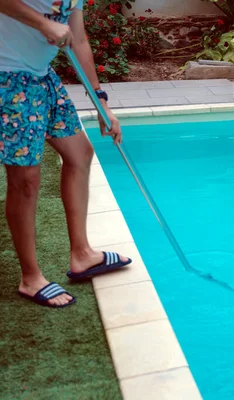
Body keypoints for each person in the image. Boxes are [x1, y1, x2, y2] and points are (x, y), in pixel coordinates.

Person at [1, 0, 132, 308]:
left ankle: (82, 255)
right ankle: (31, 277)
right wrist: (44, 24)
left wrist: (100, 101)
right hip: (7, 78)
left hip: (41, 77)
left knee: (79, 153)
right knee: (26, 179)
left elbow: (80, 37)